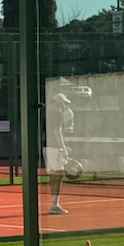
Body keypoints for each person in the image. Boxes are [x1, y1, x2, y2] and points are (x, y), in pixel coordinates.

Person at [45, 85, 74, 216]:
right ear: (60, 103)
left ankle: (54, 203)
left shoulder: (48, 114)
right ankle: (55, 204)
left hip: (48, 147)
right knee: (59, 174)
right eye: (64, 103)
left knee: (54, 175)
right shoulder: (58, 114)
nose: (65, 106)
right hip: (55, 148)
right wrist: (63, 148)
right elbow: (58, 132)